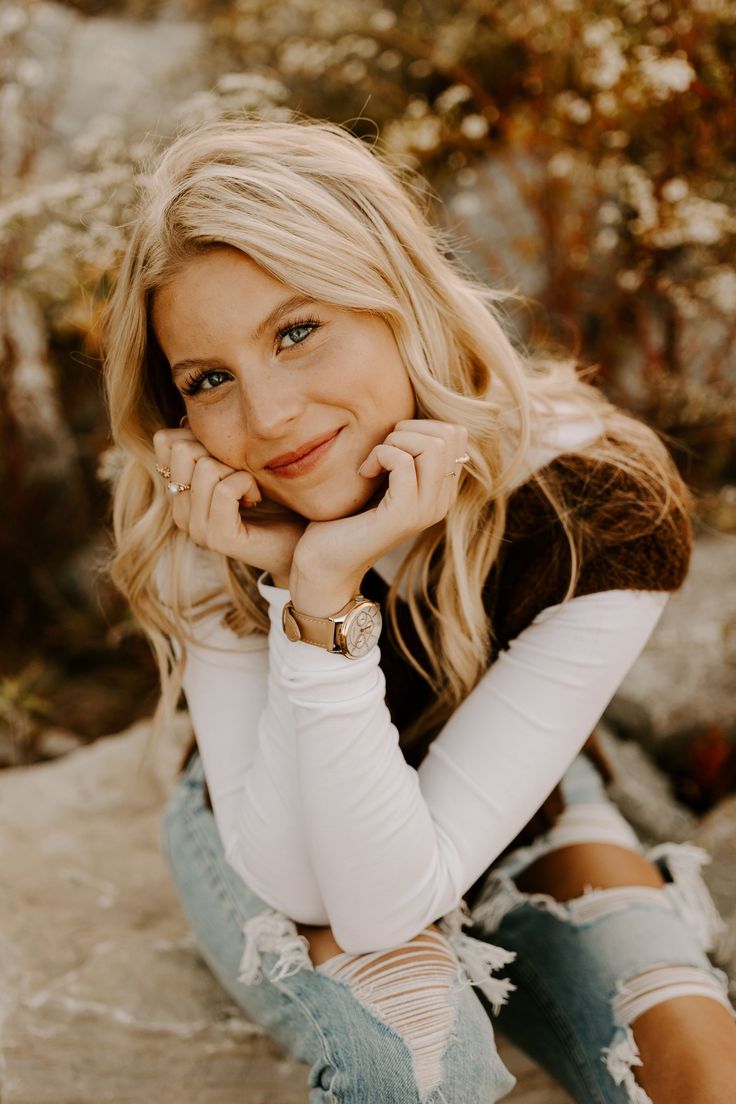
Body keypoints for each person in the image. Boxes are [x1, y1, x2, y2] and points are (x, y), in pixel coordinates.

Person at [103, 117, 736, 1103]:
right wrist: (314, 597)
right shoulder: (206, 506)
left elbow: (405, 876)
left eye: (297, 330)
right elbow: (330, 897)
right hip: (277, 815)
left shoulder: (598, 504)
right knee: (413, 1055)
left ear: (398, 296)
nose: (267, 417)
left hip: (515, 795)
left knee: (700, 1073)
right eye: (210, 379)